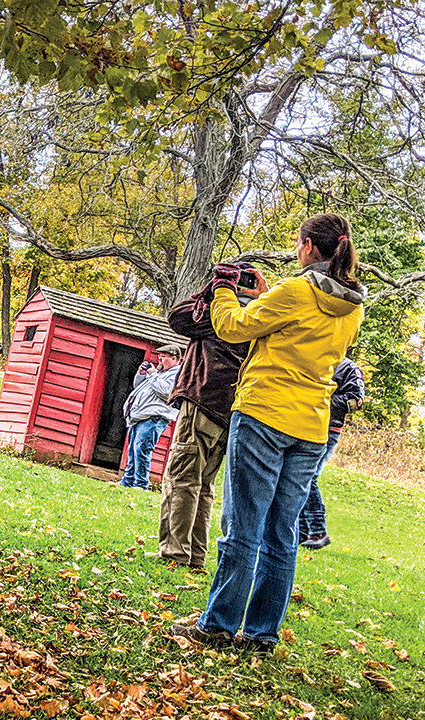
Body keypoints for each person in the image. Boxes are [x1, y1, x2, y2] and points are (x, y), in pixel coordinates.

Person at [171, 213, 365, 657]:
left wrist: (224, 288)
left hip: (265, 414)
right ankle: (261, 635)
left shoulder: (295, 291)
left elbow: (233, 327)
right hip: (312, 426)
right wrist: (267, 294)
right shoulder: (352, 304)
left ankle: (217, 625)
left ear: (310, 248)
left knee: (243, 526)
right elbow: (302, 327)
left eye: (299, 244)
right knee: (281, 535)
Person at [153, 271, 252, 570]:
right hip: (229, 409)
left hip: (202, 401)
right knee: (204, 483)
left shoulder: (222, 314)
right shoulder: (259, 316)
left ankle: (174, 552)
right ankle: (195, 555)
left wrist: (213, 290)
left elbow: (178, 316)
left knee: (181, 477)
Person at [299, 356, 365, 550]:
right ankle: (302, 531)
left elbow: (355, 399)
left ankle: (318, 531)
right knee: (299, 478)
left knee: (308, 477)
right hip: (304, 425)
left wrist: (320, 402)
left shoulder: (348, 367)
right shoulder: (317, 358)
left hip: (328, 429)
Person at [118, 344, 183, 490]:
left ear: (174, 358)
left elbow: (167, 393)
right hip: (140, 417)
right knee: (134, 449)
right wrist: (142, 374)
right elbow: (137, 386)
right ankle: (127, 481)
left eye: (163, 357)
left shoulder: (177, 374)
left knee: (142, 449)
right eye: (159, 356)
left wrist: (153, 374)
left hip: (154, 417)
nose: (159, 359)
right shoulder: (160, 373)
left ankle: (141, 485)